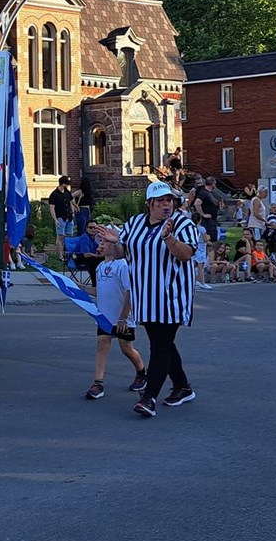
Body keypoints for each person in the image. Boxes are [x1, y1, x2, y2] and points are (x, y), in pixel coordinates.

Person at [89, 181, 204, 418]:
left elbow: (186, 255)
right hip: (145, 297)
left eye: (170, 200)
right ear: (149, 203)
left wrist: (169, 238)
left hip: (171, 296)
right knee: (164, 344)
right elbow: (124, 253)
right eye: (161, 201)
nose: (166, 205)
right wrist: (114, 243)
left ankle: (149, 397)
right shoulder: (135, 223)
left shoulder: (183, 223)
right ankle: (183, 387)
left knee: (160, 346)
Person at [85, 236, 148, 399]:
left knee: (126, 349)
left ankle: (141, 372)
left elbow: (130, 292)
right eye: (100, 243)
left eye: (104, 242)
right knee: (102, 345)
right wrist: (77, 288)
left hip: (122, 318)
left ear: (115, 246)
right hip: (105, 317)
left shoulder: (122, 266)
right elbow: (98, 291)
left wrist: (123, 317)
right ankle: (98, 383)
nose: (101, 245)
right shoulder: (100, 266)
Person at [49, 176, 75, 260]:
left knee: (69, 235)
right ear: (63, 184)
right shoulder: (54, 194)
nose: (67, 186)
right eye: (66, 184)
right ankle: (60, 256)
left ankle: (68, 254)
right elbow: (52, 208)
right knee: (60, 236)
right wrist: (55, 220)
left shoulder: (67, 192)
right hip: (60, 217)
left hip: (69, 216)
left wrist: (73, 211)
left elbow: (70, 202)